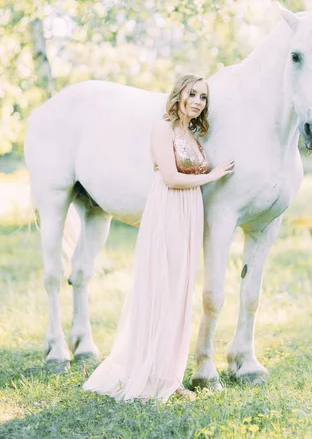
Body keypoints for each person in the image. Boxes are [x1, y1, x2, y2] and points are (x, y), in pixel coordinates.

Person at [83, 73, 235, 402]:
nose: (197, 101)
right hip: (169, 209)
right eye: (192, 94)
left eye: (203, 97)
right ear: (179, 94)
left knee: (180, 292)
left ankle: (169, 373)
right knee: (163, 288)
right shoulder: (163, 127)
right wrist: (213, 175)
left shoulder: (193, 134)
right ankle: (156, 376)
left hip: (190, 211)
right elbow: (170, 177)